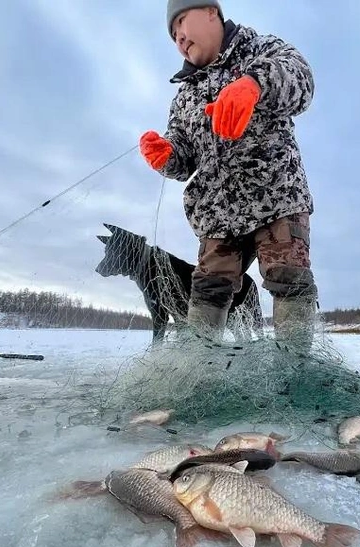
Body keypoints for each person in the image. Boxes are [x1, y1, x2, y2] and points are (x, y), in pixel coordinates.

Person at [139, 0, 318, 349]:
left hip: (275, 197)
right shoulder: (183, 97)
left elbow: (301, 79)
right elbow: (183, 157)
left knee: (289, 279)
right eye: (172, 33)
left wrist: (254, 84)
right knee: (207, 291)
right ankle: (200, 371)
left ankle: (297, 370)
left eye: (181, 22)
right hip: (217, 214)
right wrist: (166, 155)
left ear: (210, 12)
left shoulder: (259, 48)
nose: (178, 37)